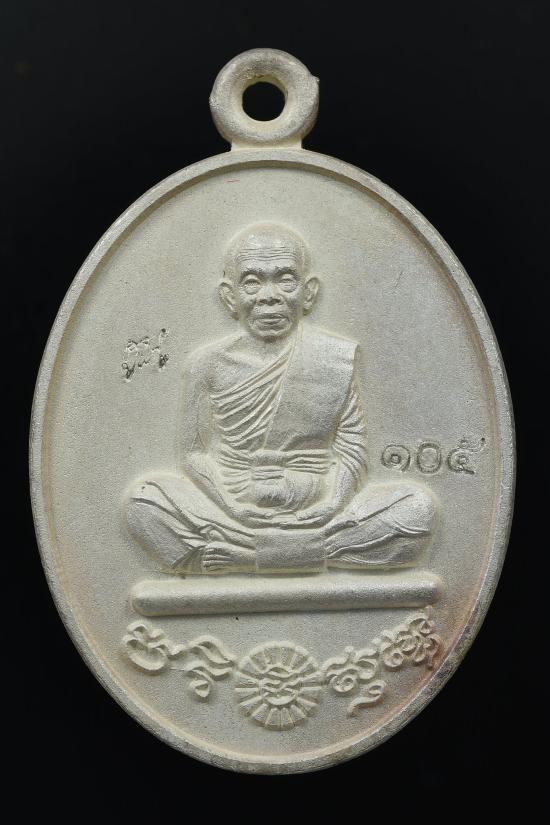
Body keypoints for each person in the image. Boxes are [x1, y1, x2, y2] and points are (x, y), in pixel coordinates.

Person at [126, 223, 436, 574]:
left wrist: (333, 502)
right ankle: (309, 555)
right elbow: (193, 453)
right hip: (234, 511)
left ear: (309, 292)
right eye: (252, 282)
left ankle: (248, 559)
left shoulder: (332, 358)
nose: (269, 296)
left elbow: (352, 447)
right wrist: (232, 506)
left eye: (286, 280)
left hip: (318, 512)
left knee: (416, 508)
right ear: (229, 296)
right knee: (144, 501)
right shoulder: (207, 363)